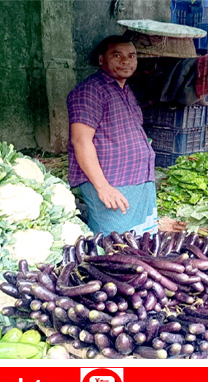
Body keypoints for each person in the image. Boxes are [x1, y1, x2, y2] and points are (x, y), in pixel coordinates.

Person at [67, 36, 158, 236]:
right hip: (112, 182)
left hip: (138, 180)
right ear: (102, 59)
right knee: (114, 245)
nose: (126, 61)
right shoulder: (90, 90)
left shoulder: (125, 90)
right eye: (117, 55)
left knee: (140, 244)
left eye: (131, 56)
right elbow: (81, 141)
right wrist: (103, 187)